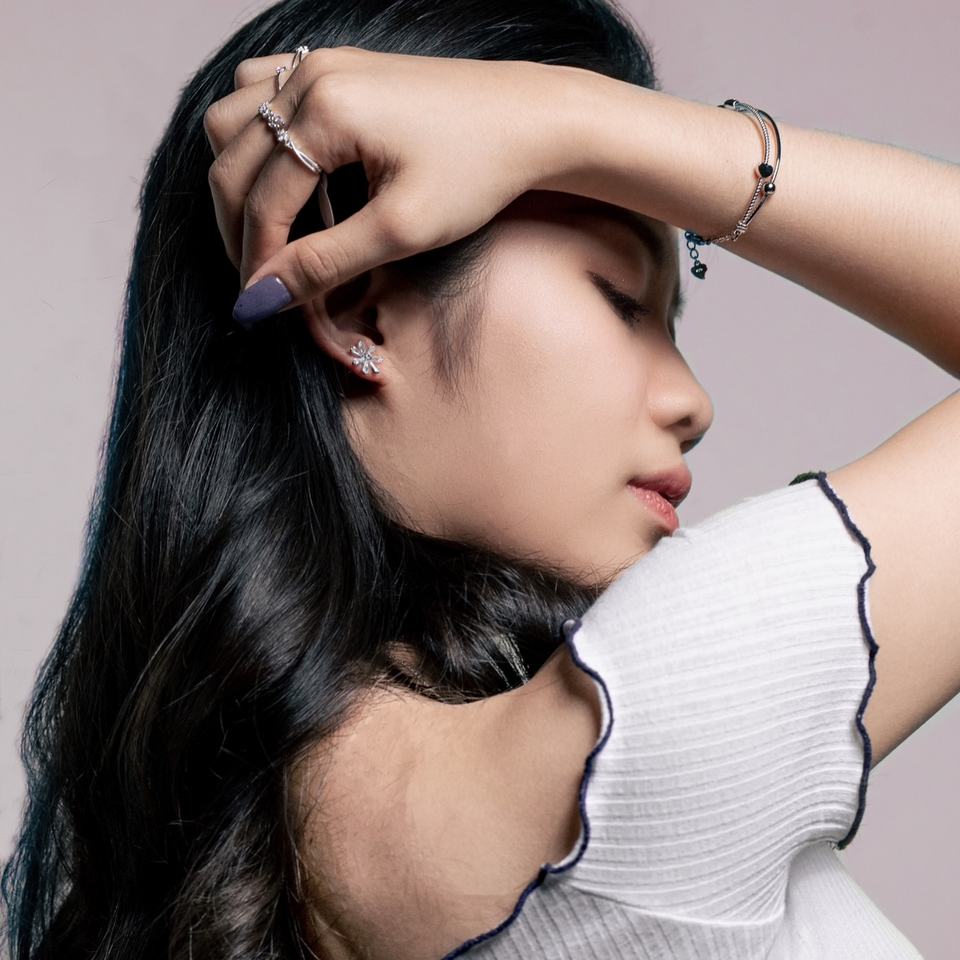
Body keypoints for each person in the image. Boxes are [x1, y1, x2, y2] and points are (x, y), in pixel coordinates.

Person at [3, 0, 958, 958]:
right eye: (622, 301)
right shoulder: (639, 733)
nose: (693, 402)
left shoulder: (227, 856)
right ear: (360, 310)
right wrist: (582, 120)